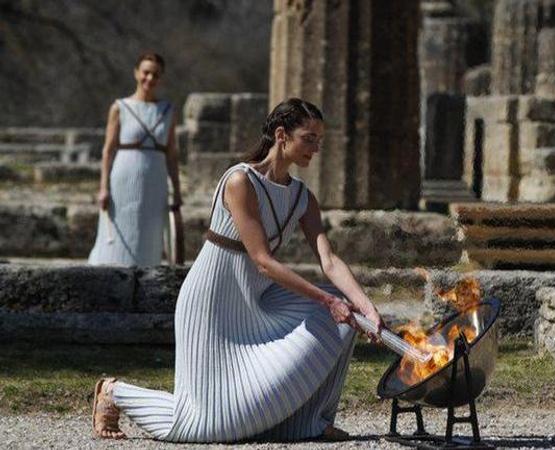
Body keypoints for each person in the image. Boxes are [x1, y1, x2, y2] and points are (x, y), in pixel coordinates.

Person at [90, 98, 384, 443]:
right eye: (309, 138)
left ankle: (310, 422)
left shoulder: (304, 197)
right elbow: (262, 260)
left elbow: (329, 260)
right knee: (205, 425)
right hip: (212, 304)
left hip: (256, 304)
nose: (316, 148)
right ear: (281, 135)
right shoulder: (240, 181)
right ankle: (115, 393)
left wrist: (365, 306)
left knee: (342, 318)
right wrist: (327, 300)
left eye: (320, 140)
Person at [88, 52, 183, 266]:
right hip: (123, 178)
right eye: (146, 72)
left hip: (155, 180)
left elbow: (172, 154)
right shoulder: (120, 107)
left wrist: (176, 191)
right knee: (119, 231)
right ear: (136, 73)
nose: (150, 78)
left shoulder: (167, 111)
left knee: (149, 232)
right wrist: (103, 187)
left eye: (155, 75)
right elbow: (108, 150)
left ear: (161, 78)